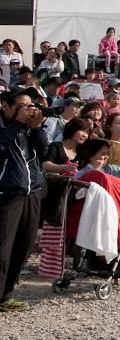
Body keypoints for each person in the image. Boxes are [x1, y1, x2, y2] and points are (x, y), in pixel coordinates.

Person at [0, 88, 50, 311]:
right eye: (21, 106)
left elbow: (45, 152)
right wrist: (17, 124)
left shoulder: (29, 127)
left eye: (30, 105)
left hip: (32, 191)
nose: (28, 110)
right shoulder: (6, 126)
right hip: (7, 194)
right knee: (2, 247)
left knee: (24, 244)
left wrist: (37, 128)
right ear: (5, 106)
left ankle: (6, 294)